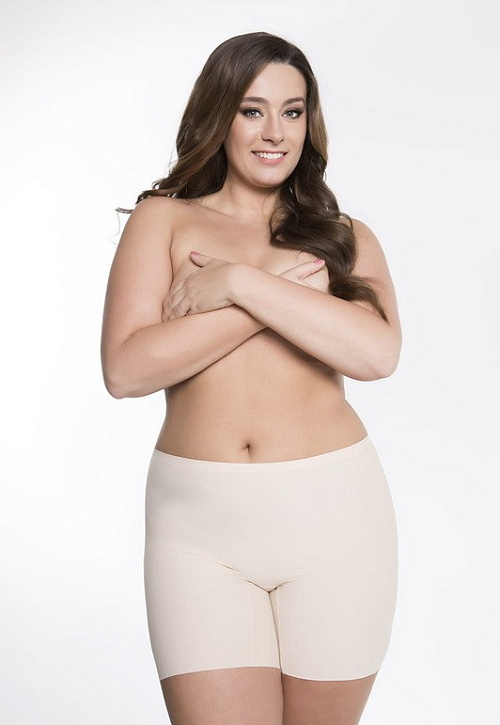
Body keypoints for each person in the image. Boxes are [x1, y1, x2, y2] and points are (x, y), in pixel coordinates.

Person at [100, 30, 401, 725]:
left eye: (292, 112)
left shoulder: (342, 236)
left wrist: (239, 282)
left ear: (309, 122)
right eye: (252, 110)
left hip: (336, 518)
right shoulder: (163, 220)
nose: (275, 133)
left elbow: (376, 356)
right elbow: (125, 369)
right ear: (220, 114)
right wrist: (277, 295)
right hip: (196, 530)